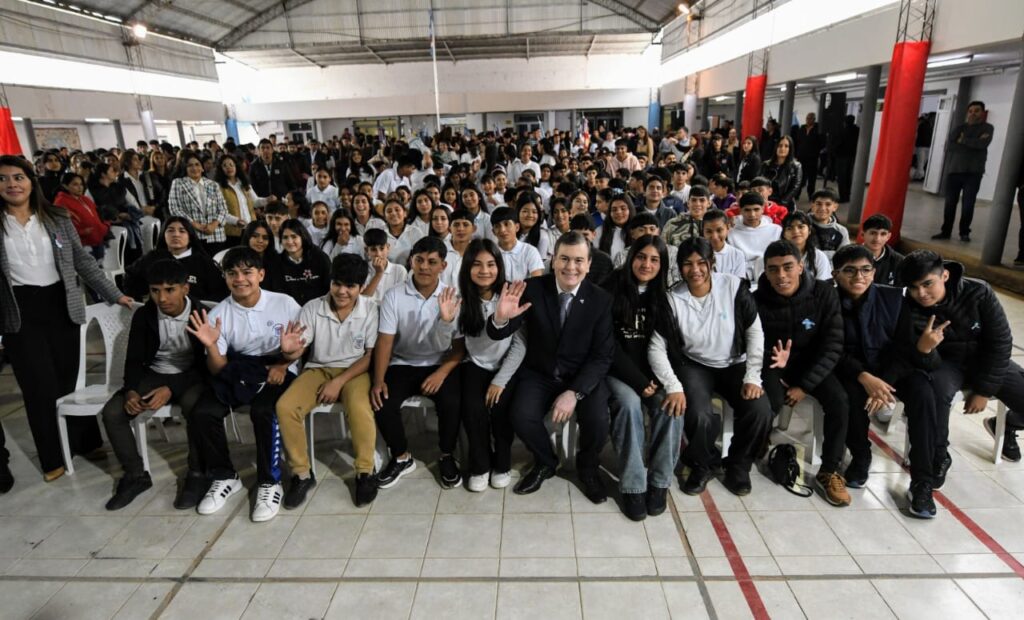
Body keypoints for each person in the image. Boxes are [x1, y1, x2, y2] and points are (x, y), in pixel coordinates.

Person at [0, 155, 132, 483]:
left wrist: (115, 294)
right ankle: (53, 457)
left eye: (18, 177)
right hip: (19, 312)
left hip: (61, 305)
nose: (12, 184)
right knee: (38, 387)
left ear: (32, 181)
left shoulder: (56, 216)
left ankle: (84, 442)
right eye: (3, 179)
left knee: (68, 379)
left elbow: (83, 263)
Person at [891, 251, 1024, 517]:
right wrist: (925, 349)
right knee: (931, 394)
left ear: (945, 275)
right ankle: (932, 467)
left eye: (928, 284)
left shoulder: (978, 292)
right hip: (944, 364)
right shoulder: (906, 305)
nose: (922, 294)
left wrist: (985, 390)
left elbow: (999, 343)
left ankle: (1007, 424)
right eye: (914, 288)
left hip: (983, 361)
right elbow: (913, 360)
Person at [488, 231, 615, 502]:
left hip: (582, 374)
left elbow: (602, 356)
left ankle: (588, 467)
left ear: (589, 264)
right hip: (540, 372)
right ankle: (545, 461)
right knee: (520, 415)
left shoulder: (601, 300)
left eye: (579, 260)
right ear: (553, 260)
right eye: (564, 259)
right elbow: (503, 331)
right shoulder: (532, 289)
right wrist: (500, 319)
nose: (571, 267)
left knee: (598, 420)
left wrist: (575, 393)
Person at [185, 247, 302, 522]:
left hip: (280, 366)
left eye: (247, 272)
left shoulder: (285, 303)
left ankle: (269, 482)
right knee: (203, 412)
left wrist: (284, 363)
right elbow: (219, 368)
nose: (240, 279)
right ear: (225, 277)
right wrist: (212, 345)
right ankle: (225, 475)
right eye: (232, 273)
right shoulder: (221, 312)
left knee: (264, 411)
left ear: (260, 274)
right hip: (240, 370)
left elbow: (301, 347)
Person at [650, 237, 774, 497]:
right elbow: (656, 347)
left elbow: (755, 332)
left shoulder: (733, 287)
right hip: (695, 365)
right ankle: (702, 463)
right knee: (697, 413)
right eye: (687, 264)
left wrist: (753, 376)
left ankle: (738, 465)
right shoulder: (672, 298)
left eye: (701, 263)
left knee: (760, 410)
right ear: (679, 267)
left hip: (734, 363)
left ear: (712, 263)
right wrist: (673, 386)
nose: (695, 270)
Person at [100, 259, 208, 510]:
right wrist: (131, 390)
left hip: (191, 375)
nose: (161, 298)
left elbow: (205, 369)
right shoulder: (144, 315)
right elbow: (135, 359)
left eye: (169, 290)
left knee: (196, 407)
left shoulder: (201, 314)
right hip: (155, 373)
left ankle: (197, 474)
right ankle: (136, 475)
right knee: (113, 412)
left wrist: (172, 388)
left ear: (185, 289)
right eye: (155, 290)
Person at [276, 254, 380, 508]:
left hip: (355, 370)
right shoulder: (313, 307)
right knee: (285, 407)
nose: (342, 291)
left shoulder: (371, 309)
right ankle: (301, 473)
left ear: (361, 287)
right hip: (318, 369)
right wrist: (289, 351)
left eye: (350, 286)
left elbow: (370, 356)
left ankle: (365, 472)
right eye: (337, 283)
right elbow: (300, 347)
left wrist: (340, 381)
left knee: (359, 407)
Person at [755, 240, 850, 506]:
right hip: (772, 363)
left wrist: (804, 385)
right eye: (773, 269)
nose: (781, 275)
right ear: (765, 270)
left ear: (800, 267)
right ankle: (759, 440)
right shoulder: (756, 299)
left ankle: (830, 470)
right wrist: (778, 365)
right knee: (766, 401)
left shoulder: (823, 294)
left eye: (787, 267)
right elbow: (749, 344)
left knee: (839, 401)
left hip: (812, 364)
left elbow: (833, 345)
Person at [371, 236, 465, 490]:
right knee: (382, 400)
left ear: (443, 266)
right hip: (402, 363)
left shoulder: (453, 296)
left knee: (452, 401)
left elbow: (458, 349)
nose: (424, 267)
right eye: (419, 260)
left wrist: (441, 373)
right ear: (411, 260)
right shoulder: (394, 295)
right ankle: (401, 457)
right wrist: (378, 380)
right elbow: (385, 342)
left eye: (432, 262)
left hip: (439, 363)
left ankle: (447, 455)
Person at [601, 235, 683, 519]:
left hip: (652, 373)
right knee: (628, 405)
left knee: (671, 407)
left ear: (662, 265)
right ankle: (633, 485)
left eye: (654, 259)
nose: (646, 264)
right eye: (641, 257)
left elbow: (665, 345)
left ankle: (659, 482)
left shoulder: (664, 296)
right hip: (617, 371)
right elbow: (606, 344)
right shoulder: (610, 286)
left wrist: (663, 382)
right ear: (631, 257)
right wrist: (638, 381)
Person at [830, 245, 903, 489]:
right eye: (849, 271)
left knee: (926, 390)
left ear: (874, 272)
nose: (858, 277)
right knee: (850, 395)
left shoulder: (893, 299)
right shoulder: (828, 301)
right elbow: (831, 349)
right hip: (849, 369)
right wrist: (864, 376)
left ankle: (933, 457)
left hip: (888, 370)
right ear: (835, 274)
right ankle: (861, 454)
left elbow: (904, 347)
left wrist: (883, 381)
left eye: (865, 270)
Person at [457, 239, 526, 492]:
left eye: (491, 264)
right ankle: (480, 465)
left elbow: (520, 345)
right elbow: (453, 341)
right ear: (467, 268)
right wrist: (444, 322)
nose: (485, 271)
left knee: (501, 409)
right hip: (474, 363)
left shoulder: (509, 296)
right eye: (477, 265)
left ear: (499, 266)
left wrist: (500, 380)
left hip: (507, 365)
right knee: (473, 409)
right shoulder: (461, 298)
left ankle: (502, 462)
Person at [123, 217, 227, 302]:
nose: (176, 235)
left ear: (190, 236)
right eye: (170, 230)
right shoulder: (152, 258)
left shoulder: (204, 262)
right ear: (164, 235)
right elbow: (130, 278)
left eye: (182, 231)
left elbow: (219, 293)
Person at [935, 101, 995, 242]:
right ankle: (945, 231)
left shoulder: (987, 127)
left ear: (982, 112)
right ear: (968, 113)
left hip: (973, 173)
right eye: (971, 111)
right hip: (954, 171)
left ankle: (964, 232)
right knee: (950, 203)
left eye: (977, 111)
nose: (973, 113)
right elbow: (950, 146)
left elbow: (982, 144)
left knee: (968, 204)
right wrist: (972, 143)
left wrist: (963, 140)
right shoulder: (959, 128)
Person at [168, 153, 231, 254]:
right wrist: (197, 225)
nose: (194, 168)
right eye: (190, 165)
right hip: (192, 235)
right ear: (185, 168)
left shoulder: (213, 185)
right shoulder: (178, 183)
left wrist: (214, 225)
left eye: (197, 164)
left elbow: (223, 209)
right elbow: (175, 209)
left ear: (202, 168)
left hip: (216, 234)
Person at [271, 219, 332, 307]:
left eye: (294, 236)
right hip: (289, 312)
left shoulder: (320, 258)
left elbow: (329, 287)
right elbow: (278, 293)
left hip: (318, 310)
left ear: (302, 237)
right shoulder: (277, 263)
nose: (289, 241)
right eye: (285, 237)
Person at [52, 172, 111, 261]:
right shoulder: (60, 202)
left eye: (81, 184)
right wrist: (82, 232)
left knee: (98, 269)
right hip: (82, 244)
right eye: (75, 184)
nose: (80, 187)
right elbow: (61, 227)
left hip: (97, 240)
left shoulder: (85, 199)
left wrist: (104, 226)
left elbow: (97, 215)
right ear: (65, 186)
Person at [216, 154, 266, 246]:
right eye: (225, 165)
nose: (229, 168)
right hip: (233, 232)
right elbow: (220, 212)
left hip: (251, 227)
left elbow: (255, 202)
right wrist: (236, 221)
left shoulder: (244, 183)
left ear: (236, 167)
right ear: (220, 169)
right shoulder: (219, 187)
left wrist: (267, 200)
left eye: (231, 164)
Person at [727, 192, 782, 270]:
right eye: (747, 210)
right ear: (740, 210)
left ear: (763, 209)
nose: (752, 214)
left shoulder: (776, 230)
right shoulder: (731, 233)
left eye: (756, 209)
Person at [490, 206, 544, 280]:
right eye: (497, 226)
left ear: (517, 227)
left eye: (506, 224)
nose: (502, 230)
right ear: (493, 232)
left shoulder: (530, 251)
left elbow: (537, 281)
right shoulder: (490, 253)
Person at [781, 211, 833, 281]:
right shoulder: (777, 256)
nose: (796, 231)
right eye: (789, 228)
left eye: (801, 227)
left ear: (809, 230)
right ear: (784, 234)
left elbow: (823, 286)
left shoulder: (819, 256)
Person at [361, 228, 407, 303]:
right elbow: (363, 299)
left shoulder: (399, 270)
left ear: (388, 248)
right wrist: (378, 273)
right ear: (367, 251)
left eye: (382, 248)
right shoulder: (362, 269)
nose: (378, 254)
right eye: (373, 249)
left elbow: (400, 300)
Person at [701, 209, 748, 279]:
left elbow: (739, 284)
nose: (714, 237)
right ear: (703, 231)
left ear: (728, 228)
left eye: (719, 230)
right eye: (709, 231)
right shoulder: (697, 255)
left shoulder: (737, 255)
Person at [759, 135, 802, 212]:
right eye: (780, 145)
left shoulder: (796, 166)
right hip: (766, 202)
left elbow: (795, 188)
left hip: (784, 204)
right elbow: (759, 183)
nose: (782, 148)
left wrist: (781, 204)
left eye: (786, 146)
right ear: (776, 147)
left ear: (790, 149)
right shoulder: (766, 164)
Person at [861, 214, 904, 286]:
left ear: (888, 236)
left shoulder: (899, 261)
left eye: (883, 234)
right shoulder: (849, 256)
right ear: (862, 234)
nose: (877, 239)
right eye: (873, 233)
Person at [807, 189, 850, 258]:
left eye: (828, 204)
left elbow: (844, 257)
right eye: (818, 204)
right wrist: (833, 254)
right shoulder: (802, 226)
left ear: (835, 207)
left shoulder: (841, 231)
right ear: (812, 205)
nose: (823, 208)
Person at [794, 113, 824, 200]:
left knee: (812, 178)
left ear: (814, 119)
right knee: (800, 177)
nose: (808, 120)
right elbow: (797, 141)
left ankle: (811, 195)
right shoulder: (802, 128)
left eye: (810, 118)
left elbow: (822, 143)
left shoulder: (817, 129)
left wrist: (816, 152)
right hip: (801, 156)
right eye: (807, 118)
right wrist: (796, 154)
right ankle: (797, 195)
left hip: (812, 157)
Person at [595, 194, 634, 259]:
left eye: (623, 208)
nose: (618, 212)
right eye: (614, 210)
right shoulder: (599, 232)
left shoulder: (638, 230)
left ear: (630, 210)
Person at [834, 115, 859, 203]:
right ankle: (847, 196)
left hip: (842, 156)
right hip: (852, 156)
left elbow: (838, 143)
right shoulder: (857, 130)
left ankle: (843, 197)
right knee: (848, 177)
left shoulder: (843, 131)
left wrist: (834, 151)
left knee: (842, 178)